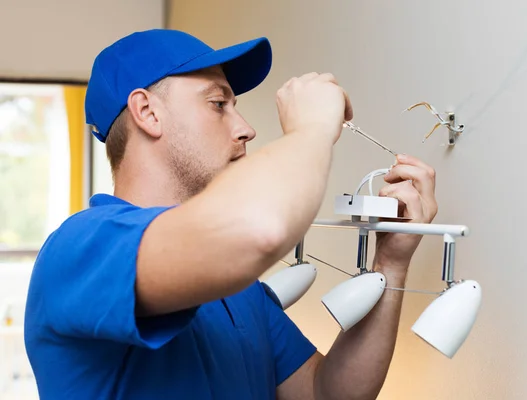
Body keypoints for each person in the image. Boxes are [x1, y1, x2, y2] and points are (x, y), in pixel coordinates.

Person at [24, 29, 438, 399]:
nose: (245, 128)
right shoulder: (83, 249)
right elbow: (258, 230)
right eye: (218, 104)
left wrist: (392, 263)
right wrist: (311, 129)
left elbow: (325, 393)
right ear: (148, 113)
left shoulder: (236, 285)